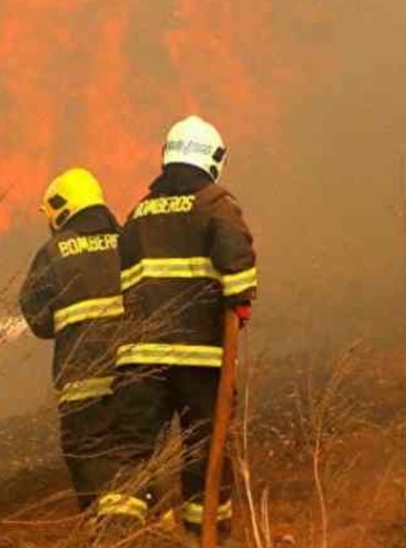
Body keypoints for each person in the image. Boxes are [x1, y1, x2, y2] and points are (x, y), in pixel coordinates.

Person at [114, 116, 258, 541]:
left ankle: (130, 536)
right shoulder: (214, 205)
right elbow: (236, 260)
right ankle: (206, 535)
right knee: (204, 449)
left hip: (139, 363)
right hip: (200, 360)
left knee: (135, 453)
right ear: (212, 159)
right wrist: (239, 300)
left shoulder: (138, 214)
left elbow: (124, 281)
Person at [19, 167, 133, 520]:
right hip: (138, 372)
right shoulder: (130, 240)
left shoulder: (53, 253)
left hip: (83, 378)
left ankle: (110, 530)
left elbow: (38, 320)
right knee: (135, 446)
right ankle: (150, 521)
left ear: (62, 208)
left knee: (87, 450)